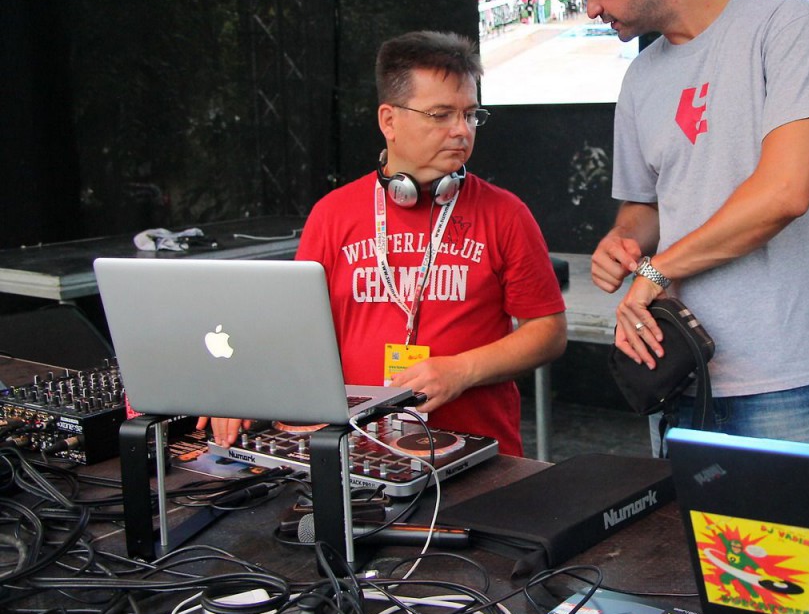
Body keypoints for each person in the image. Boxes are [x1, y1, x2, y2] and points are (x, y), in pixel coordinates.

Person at [558, 0, 809, 452]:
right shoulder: (640, 77)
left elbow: (786, 192)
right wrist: (623, 241)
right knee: (678, 518)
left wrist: (655, 272)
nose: (592, 8)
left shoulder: (786, 26)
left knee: (792, 517)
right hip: (677, 371)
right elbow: (646, 206)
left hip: (782, 378)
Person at [200, 31, 567, 455]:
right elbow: (293, 330)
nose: (461, 131)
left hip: (477, 456)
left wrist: (462, 370)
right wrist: (243, 387)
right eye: (441, 115)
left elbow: (548, 331)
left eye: (470, 115)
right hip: (356, 456)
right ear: (389, 121)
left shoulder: (506, 214)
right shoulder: (333, 215)